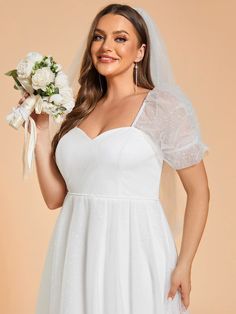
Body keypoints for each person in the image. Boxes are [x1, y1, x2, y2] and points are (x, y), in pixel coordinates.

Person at [19, 4, 210, 314]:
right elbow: (56, 199)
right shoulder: (79, 109)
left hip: (135, 248)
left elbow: (200, 191)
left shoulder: (161, 107)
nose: (106, 47)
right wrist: (41, 131)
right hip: (77, 248)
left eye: (120, 38)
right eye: (99, 37)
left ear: (140, 52)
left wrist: (184, 263)